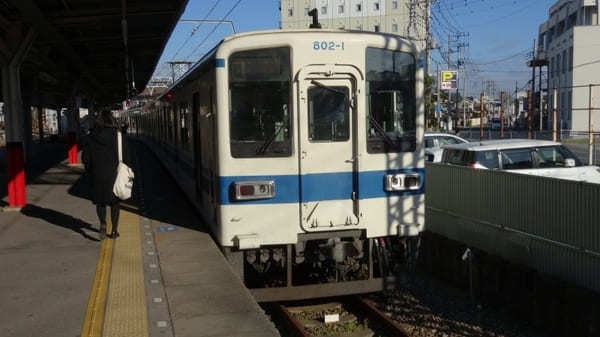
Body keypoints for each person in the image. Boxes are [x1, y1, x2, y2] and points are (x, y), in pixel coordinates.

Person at [87, 110, 122, 239]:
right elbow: (126, 156)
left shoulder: (91, 137)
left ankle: (102, 223)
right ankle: (114, 231)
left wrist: (91, 171)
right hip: (114, 175)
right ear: (111, 120)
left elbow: (86, 159)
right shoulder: (117, 136)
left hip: (97, 175)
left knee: (100, 203)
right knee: (114, 204)